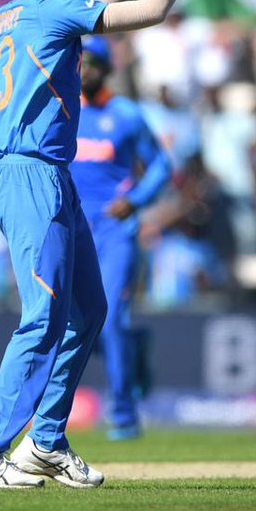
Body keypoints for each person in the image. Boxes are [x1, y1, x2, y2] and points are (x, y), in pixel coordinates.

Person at [0, 0, 200, 489]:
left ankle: (45, 442)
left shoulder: (20, 10)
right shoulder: (47, 12)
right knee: (43, 317)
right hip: (29, 172)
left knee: (88, 312)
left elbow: (95, 4)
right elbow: (149, 11)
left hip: (47, 173)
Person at [70, 36, 171, 441]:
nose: (85, 70)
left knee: (110, 321)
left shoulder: (126, 115)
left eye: (93, 63)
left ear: (108, 69)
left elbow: (162, 166)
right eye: (80, 61)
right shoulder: (62, 110)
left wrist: (135, 200)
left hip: (115, 232)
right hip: (72, 229)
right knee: (75, 324)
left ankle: (124, 415)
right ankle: (134, 347)